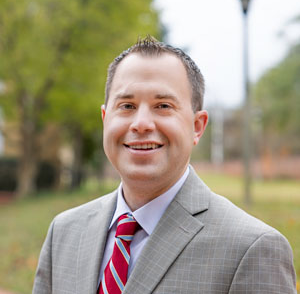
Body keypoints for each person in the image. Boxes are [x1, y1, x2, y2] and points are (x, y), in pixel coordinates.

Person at [33, 36, 296, 294]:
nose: (141, 123)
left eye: (163, 106)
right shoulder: (63, 233)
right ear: (105, 119)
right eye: (127, 105)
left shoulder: (253, 249)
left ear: (197, 126)